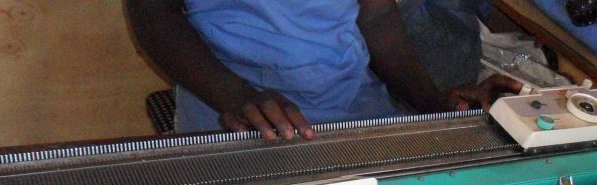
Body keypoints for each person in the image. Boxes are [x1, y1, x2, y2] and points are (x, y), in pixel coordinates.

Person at [124, 0, 520, 139]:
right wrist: (234, 96)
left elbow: (376, 15)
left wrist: (432, 103)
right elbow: (151, 11)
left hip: (351, 104)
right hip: (234, 111)